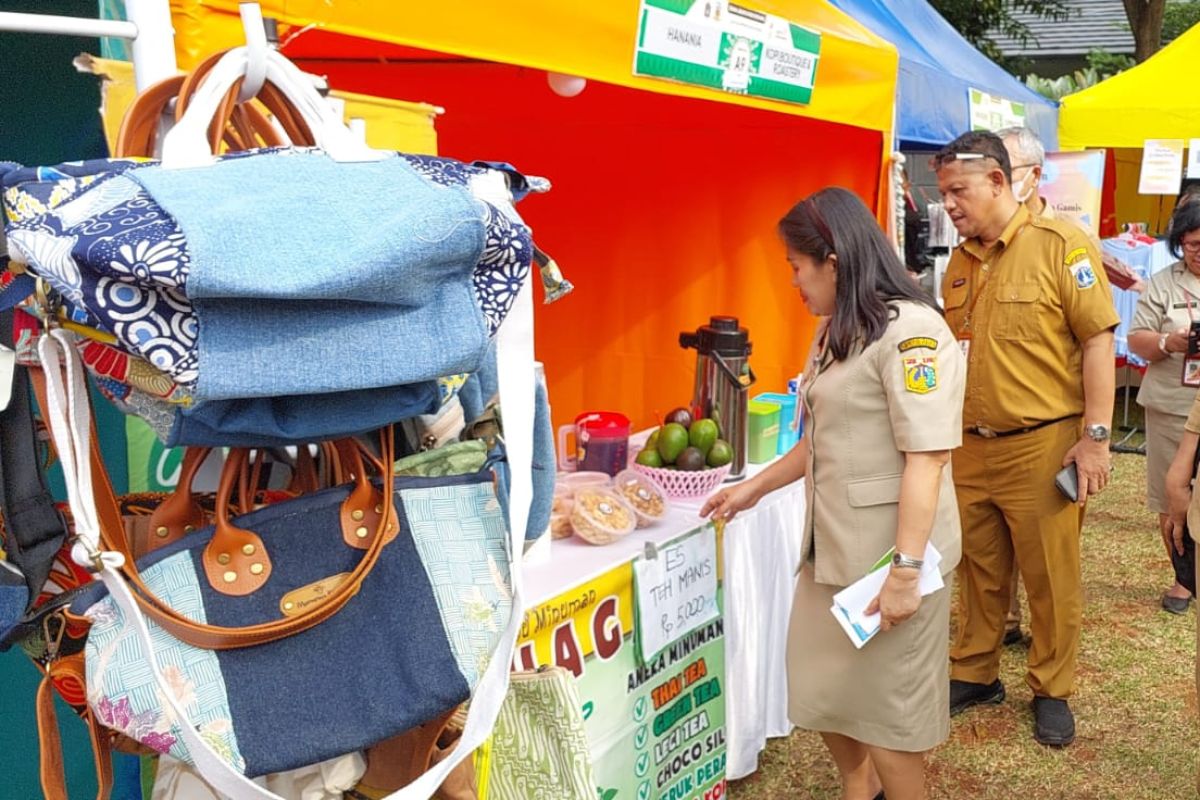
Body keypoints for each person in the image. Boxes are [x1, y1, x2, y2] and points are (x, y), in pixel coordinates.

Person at [701, 187, 965, 800]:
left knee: (892, 722)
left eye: (796, 266)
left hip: (889, 559)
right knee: (820, 691)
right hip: (830, 554)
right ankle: (859, 783)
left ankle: (887, 786)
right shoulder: (834, 333)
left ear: (835, 260)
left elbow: (926, 458)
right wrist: (754, 490)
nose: (792, 282)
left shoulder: (913, 333)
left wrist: (903, 571)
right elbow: (817, 440)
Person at [934, 130, 1118, 747]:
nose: (950, 204)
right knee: (979, 568)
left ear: (997, 180)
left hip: (1042, 442)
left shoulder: (1062, 246)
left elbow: (1098, 340)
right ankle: (976, 670)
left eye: (958, 190)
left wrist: (1095, 437)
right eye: (942, 193)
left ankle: (1052, 687)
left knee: (1049, 574)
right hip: (969, 442)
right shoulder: (960, 260)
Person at [1128, 199, 1200, 613]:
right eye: (1192, 245)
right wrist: (1165, 343)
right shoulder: (1163, 283)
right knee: (1171, 493)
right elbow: (1137, 338)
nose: (1199, 252)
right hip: (1173, 402)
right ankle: (1183, 577)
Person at [996, 125, 1144, 293]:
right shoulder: (986, 232)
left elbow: (1092, 310)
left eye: (1008, 170)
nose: (998, 180)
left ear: (1036, 174)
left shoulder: (1075, 235)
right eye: (992, 173)